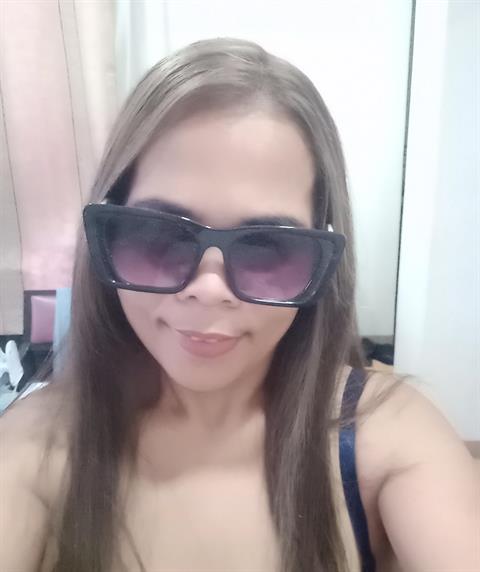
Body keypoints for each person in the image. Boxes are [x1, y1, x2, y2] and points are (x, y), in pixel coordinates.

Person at [0, 38, 477, 572]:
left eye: (267, 248)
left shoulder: (386, 436)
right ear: (109, 234)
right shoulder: (32, 449)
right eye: (159, 236)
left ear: (321, 262)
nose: (209, 289)